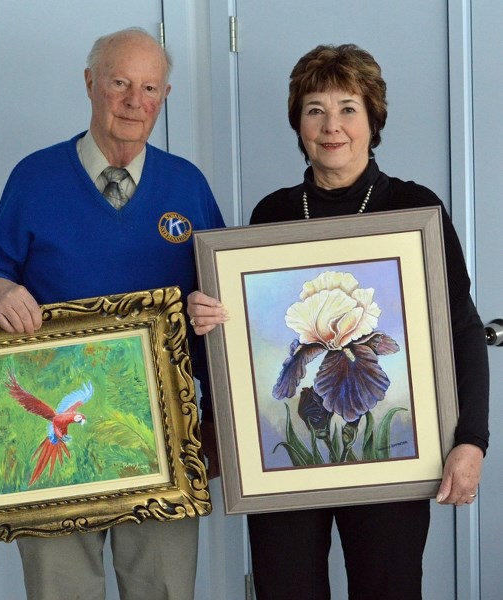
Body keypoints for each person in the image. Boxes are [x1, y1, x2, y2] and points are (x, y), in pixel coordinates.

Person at [187, 43, 489, 600]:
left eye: (348, 107)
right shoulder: (271, 213)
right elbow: (255, 331)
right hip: (286, 473)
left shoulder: (414, 210)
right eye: (315, 109)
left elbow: (463, 329)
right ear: (298, 123)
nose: (332, 126)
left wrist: (471, 440)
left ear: (374, 119)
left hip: (395, 464)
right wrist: (212, 316)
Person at [0, 27, 224, 600]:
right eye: (120, 83)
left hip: (165, 433)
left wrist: (215, 418)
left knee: (162, 588)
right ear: (90, 84)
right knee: (62, 591)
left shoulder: (187, 184)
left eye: (151, 88)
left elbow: (219, 308)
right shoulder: (34, 178)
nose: (136, 101)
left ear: (164, 96)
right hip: (55, 437)